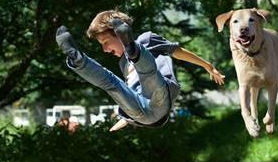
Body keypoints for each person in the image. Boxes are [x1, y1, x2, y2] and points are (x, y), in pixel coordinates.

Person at [56, 10, 225, 132]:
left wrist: (207, 66)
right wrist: (125, 119)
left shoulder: (147, 39)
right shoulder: (123, 64)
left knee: (148, 74)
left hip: (159, 99)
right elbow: (128, 94)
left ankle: (134, 49)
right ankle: (77, 59)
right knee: (111, 84)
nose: (105, 50)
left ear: (117, 33)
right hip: (142, 114)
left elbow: (178, 52)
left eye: (106, 42)